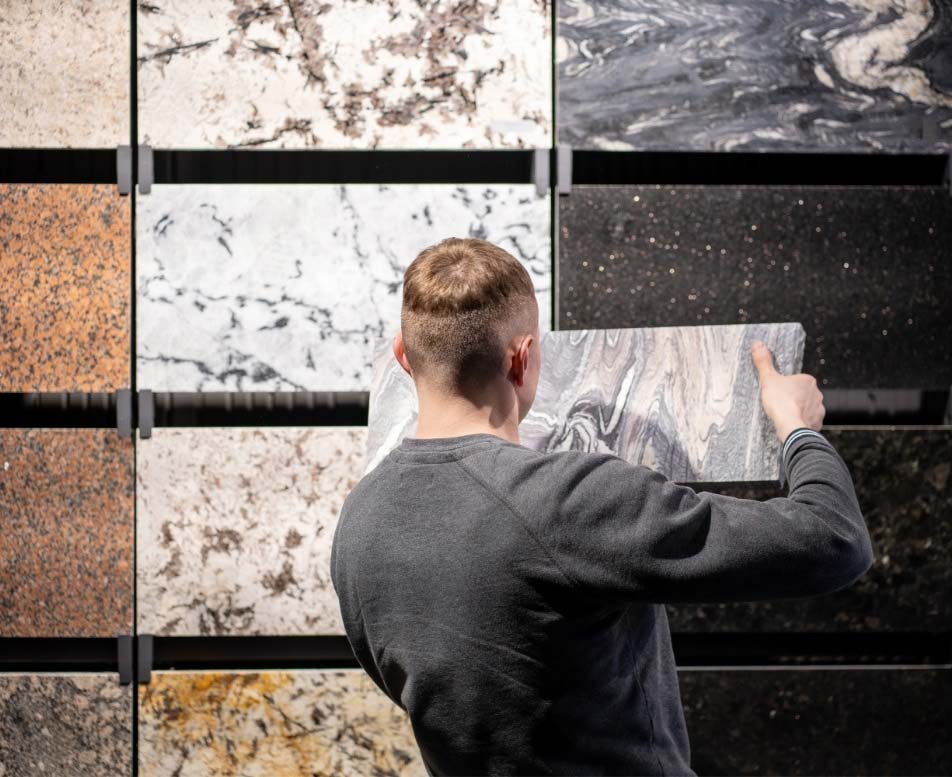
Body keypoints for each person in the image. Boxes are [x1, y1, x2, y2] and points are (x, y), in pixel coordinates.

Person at [331, 237, 874, 776]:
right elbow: (833, 539)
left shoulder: (358, 522)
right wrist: (795, 426)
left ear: (403, 357)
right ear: (522, 359)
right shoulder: (569, 501)